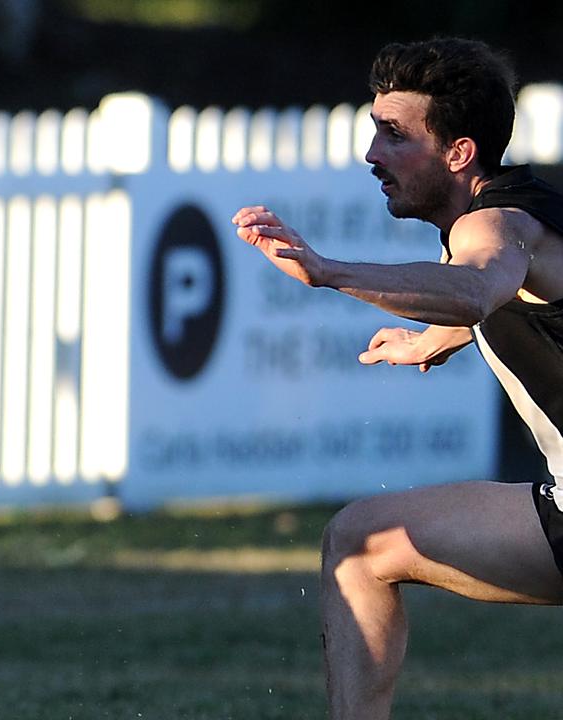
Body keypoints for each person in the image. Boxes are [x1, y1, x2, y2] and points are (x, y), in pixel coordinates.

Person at [232, 38, 563, 719]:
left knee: (359, 541)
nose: (370, 155)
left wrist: (327, 272)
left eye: (391, 135)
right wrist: (432, 339)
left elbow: (475, 287)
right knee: (362, 542)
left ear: (458, 152)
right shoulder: (526, 212)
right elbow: (495, 296)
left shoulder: (497, 222)